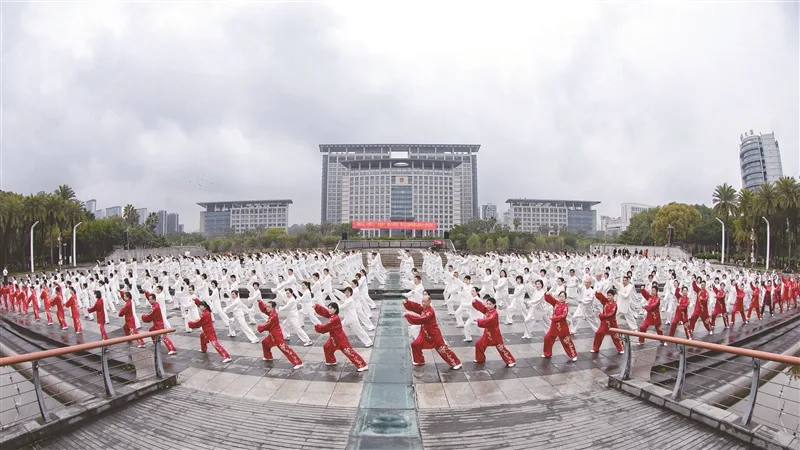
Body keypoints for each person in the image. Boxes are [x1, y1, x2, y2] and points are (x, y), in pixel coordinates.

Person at [402, 291, 462, 369]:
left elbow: (421, 319)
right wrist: (407, 303)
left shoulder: (430, 311)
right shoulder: (423, 308)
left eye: (425, 302)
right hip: (425, 333)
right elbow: (416, 307)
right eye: (422, 302)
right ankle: (419, 360)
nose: (423, 304)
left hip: (434, 334)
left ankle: (457, 363)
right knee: (415, 344)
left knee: (443, 350)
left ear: (429, 302)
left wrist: (407, 315)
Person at [313, 302, 368, 372]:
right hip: (334, 338)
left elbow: (326, 327)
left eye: (331, 308)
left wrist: (317, 326)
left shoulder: (334, 318)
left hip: (340, 338)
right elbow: (326, 312)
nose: (329, 310)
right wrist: (317, 307)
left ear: (335, 309)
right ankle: (331, 361)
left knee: (349, 352)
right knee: (327, 347)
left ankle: (363, 365)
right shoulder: (332, 315)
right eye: (328, 308)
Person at [257, 300, 303, 369]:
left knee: (285, 349)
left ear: (273, 308)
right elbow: (264, 310)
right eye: (267, 307)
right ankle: (268, 356)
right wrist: (260, 302)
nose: (267, 308)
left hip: (277, 336)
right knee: (265, 342)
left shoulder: (273, 316)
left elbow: (267, 325)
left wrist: (259, 327)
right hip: (272, 335)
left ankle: (298, 363)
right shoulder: (271, 313)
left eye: (269, 307)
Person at [472, 296, 516, 367]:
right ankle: (480, 359)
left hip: (495, 334)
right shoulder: (487, 310)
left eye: (490, 304)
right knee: (479, 344)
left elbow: (489, 320)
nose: (488, 305)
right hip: (487, 334)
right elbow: (482, 307)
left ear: (494, 305)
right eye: (487, 304)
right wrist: (475, 302)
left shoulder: (495, 314)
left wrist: (479, 320)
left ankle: (511, 361)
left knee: (501, 348)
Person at [542, 291, 578, 361]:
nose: (561, 298)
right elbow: (550, 299)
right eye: (560, 296)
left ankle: (573, 355)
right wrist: (547, 294)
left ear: (565, 298)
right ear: (558, 297)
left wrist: (553, 318)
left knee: (567, 342)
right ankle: (547, 353)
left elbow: (563, 316)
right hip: (554, 327)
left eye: (563, 297)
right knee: (547, 338)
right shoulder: (556, 303)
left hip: (562, 328)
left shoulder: (565, 306)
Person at [591, 289, 625, 353]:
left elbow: (611, 314)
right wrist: (598, 293)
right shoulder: (605, 301)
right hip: (604, 324)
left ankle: (621, 348)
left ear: (613, 296)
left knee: (616, 336)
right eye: (607, 295)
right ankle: (595, 348)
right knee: (598, 333)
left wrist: (601, 316)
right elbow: (601, 297)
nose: (608, 297)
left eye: (610, 295)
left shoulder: (614, 305)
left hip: (612, 323)